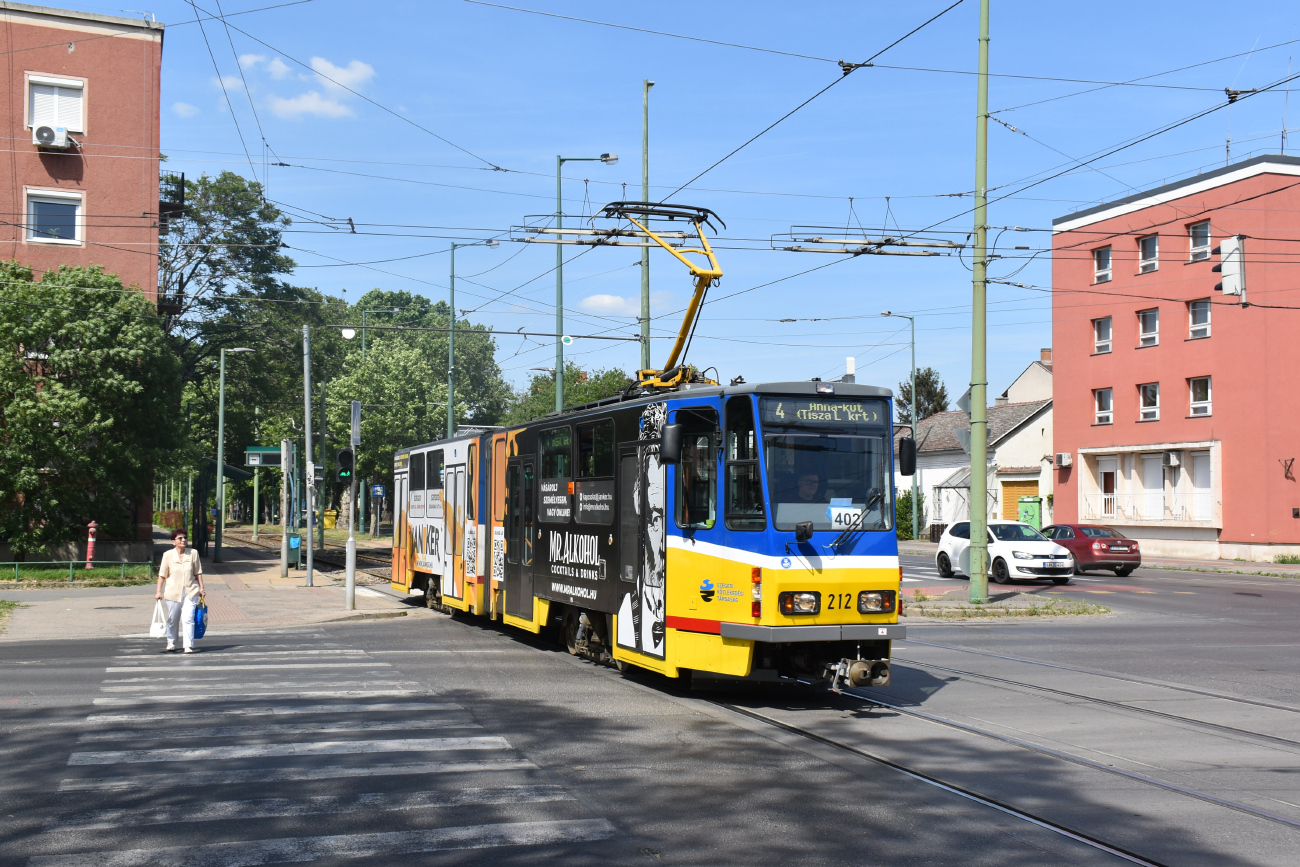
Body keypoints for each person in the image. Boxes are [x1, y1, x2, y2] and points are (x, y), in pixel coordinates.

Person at [155, 529, 205, 653]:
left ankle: (188, 645)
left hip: (190, 591)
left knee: (188, 618)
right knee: (173, 618)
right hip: (173, 592)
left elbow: (198, 572)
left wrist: (201, 588)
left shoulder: (193, 553)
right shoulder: (167, 555)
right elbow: (162, 575)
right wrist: (158, 592)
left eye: (185, 538)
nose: (183, 540)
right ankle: (171, 641)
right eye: (180, 538)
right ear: (174, 542)